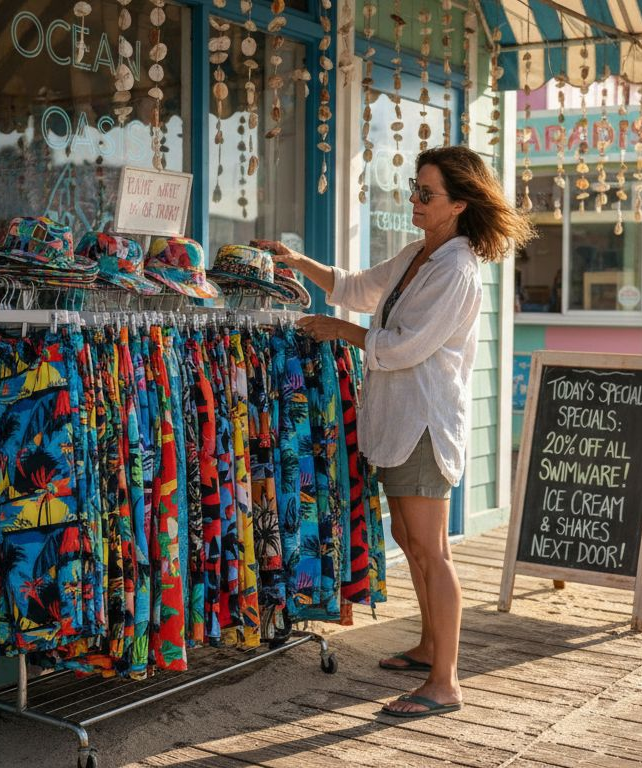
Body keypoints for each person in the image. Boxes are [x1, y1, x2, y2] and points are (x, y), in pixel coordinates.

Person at [252, 145, 535, 719]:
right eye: (413, 189)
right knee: (409, 540)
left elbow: (405, 346)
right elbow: (357, 287)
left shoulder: (456, 269)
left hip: (425, 423)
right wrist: (298, 262)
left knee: (432, 552)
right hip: (397, 419)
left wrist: (342, 332)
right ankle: (430, 646)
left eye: (426, 194)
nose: (414, 200)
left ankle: (446, 681)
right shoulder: (417, 254)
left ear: (459, 204)